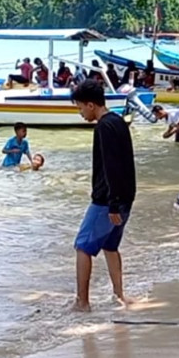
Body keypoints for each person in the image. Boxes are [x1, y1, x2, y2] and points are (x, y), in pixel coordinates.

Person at [72, 80, 136, 310]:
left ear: (91, 105)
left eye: (80, 107)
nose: (80, 112)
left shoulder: (103, 127)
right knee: (110, 246)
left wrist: (112, 204)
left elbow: (111, 166)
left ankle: (82, 302)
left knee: (82, 247)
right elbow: (127, 163)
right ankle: (119, 296)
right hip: (125, 196)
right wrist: (122, 200)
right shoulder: (118, 121)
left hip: (107, 200)